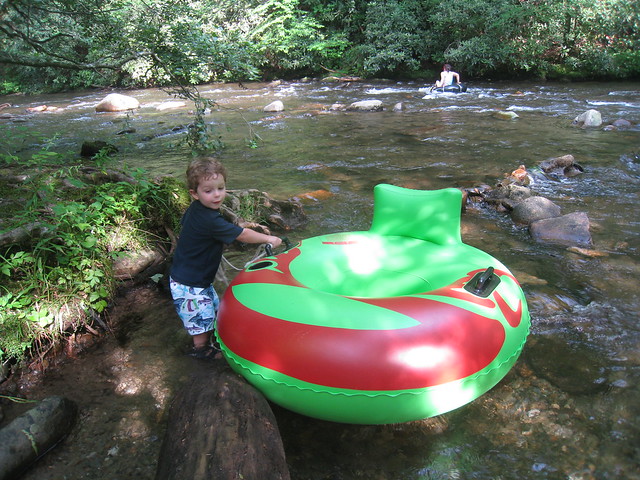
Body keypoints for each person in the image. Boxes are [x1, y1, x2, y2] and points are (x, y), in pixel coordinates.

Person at [169, 157, 283, 359]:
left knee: (209, 311)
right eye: (209, 190)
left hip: (192, 277)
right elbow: (242, 234)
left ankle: (209, 342)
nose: (217, 195)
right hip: (190, 283)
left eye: (220, 188)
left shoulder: (198, 210)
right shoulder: (209, 219)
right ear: (194, 194)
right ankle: (201, 351)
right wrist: (269, 238)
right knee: (199, 321)